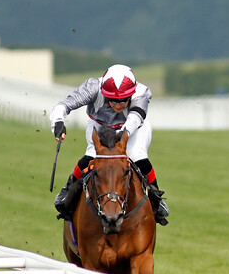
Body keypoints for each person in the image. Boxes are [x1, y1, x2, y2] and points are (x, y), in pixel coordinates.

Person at [49, 64, 169, 225]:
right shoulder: (92, 88)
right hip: (100, 125)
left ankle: (156, 198)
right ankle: (67, 188)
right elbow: (62, 106)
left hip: (134, 128)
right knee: (91, 156)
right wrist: (58, 123)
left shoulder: (141, 92)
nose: (118, 105)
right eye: (112, 100)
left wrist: (121, 135)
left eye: (123, 100)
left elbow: (134, 119)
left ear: (131, 94)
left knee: (137, 155)